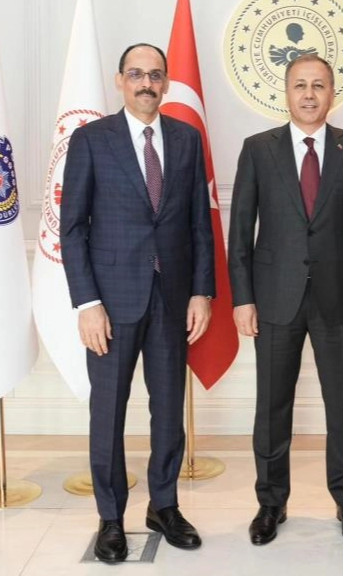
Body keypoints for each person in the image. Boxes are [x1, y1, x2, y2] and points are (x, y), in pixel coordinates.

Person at [60, 43, 215, 562]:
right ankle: (110, 518)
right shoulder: (91, 139)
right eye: (136, 74)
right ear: (120, 81)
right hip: (110, 303)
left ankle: (163, 506)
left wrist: (201, 291)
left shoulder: (187, 139)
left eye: (155, 75)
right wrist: (87, 302)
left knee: (169, 410)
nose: (146, 83)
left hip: (172, 300)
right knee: (108, 413)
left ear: (165, 82)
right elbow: (72, 227)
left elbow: (199, 223)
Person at [228, 54, 343, 546]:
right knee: (272, 406)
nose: (310, 94)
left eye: (319, 85)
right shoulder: (258, 149)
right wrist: (242, 298)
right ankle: (270, 503)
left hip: (340, 297)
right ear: (287, 92)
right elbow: (240, 232)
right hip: (275, 297)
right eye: (300, 85)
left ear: (333, 93)